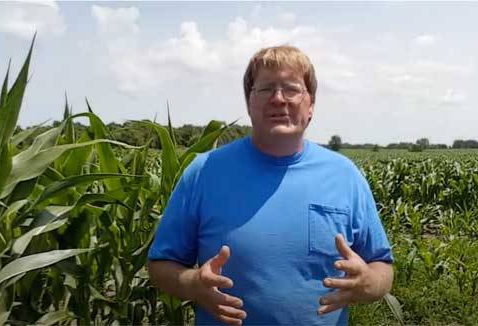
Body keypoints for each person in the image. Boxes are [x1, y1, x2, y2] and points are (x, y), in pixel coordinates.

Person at [148, 45, 394, 325]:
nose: (279, 99)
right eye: (265, 89)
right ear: (249, 103)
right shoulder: (204, 172)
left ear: (310, 104)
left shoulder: (345, 176)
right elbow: (159, 265)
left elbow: (382, 266)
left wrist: (369, 282)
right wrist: (192, 283)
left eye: (291, 89)